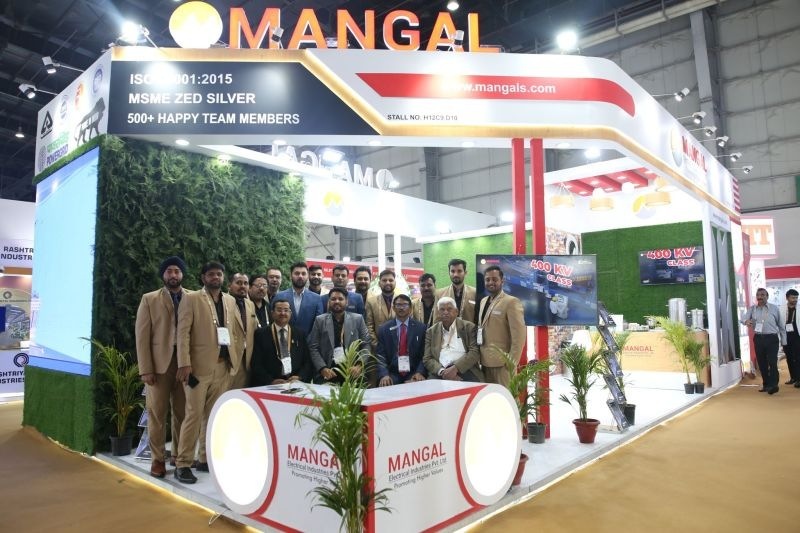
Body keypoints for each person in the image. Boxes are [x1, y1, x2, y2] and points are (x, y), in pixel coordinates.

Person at [174, 261, 244, 484]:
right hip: (197, 369)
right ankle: (183, 463)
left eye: (219, 274)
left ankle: (204, 459)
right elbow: (182, 333)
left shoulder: (230, 300)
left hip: (223, 366)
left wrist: (234, 359)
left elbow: (234, 332)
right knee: (193, 415)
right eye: (211, 274)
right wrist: (184, 364)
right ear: (203, 277)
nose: (216, 277)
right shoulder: (191, 298)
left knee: (213, 415)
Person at [134, 256, 189, 478]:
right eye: (169, 271)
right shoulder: (149, 299)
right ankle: (157, 460)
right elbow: (141, 336)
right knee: (157, 414)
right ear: (163, 275)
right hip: (158, 367)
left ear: (182, 274)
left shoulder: (193, 298)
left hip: (185, 364)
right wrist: (145, 369)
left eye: (177, 271)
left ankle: (178, 454)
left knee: (183, 413)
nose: (173, 275)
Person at [308, 287, 371, 384]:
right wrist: (322, 368)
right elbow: (313, 347)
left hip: (352, 372)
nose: (337, 301)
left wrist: (359, 366)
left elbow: (366, 344)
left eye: (340, 299)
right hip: (327, 372)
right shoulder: (320, 320)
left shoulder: (358, 319)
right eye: (333, 299)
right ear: (329, 302)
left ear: (347, 302)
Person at [476, 265, 526, 386]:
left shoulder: (511, 302)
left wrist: (511, 362)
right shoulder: (483, 301)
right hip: (485, 363)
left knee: (506, 396)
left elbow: (519, 336)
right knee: (490, 396)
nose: (490, 282)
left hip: (503, 364)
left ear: (502, 281)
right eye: (487, 280)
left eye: (494, 279)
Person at [250, 298, 312, 385]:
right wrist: (270, 381)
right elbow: (256, 363)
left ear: (290, 313)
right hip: (270, 385)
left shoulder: (300, 334)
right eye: (279, 310)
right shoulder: (261, 334)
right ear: (272, 313)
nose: (283, 313)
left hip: (294, 383)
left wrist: (299, 377)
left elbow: (307, 361)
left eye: (286, 310)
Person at [424, 297, 484, 382]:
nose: (445, 312)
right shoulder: (431, 332)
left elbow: (475, 352)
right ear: (438, 313)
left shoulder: (468, 327)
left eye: (449, 309)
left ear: (456, 312)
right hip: (440, 372)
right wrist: (442, 372)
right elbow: (427, 358)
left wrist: (455, 368)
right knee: (429, 388)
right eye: (442, 309)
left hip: (465, 369)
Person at [742, 287, 786, 394]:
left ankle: (774, 385)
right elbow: (743, 318)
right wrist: (746, 321)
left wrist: (784, 342)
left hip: (772, 338)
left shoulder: (774, 308)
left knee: (772, 362)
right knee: (762, 363)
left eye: (762, 295)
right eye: (758, 295)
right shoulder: (752, 309)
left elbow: (781, 326)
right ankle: (766, 384)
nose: (760, 297)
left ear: (767, 297)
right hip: (758, 339)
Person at [376, 294, 427, 386]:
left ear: (410, 308)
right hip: (392, 373)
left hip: (413, 372)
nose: (401, 308)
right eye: (398, 305)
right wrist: (384, 374)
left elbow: (424, 354)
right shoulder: (384, 329)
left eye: (405, 305)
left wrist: (420, 372)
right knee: (385, 385)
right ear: (393, 308)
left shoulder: (421, 328)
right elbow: (380, 355)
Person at [275, 262, 324, 337]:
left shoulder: (316, 299)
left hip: (308, 342)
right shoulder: (279, 296)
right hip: (283, 340)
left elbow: (318, 325)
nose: (300, 276)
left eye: (303, 274)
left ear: (307, 276)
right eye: (297, 273)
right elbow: (274, 321)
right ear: (290, 276)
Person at [228, 272, 258, 389]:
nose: (243, 286)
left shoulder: (250, 305)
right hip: (229, 360)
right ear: (229, 285)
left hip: (246, 361)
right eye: (238, 283)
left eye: (246, 283)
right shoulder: (224, 302)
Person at [366, 269, 397, 352]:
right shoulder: (371, 302)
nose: (387, 282)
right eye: (384, 280)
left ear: (395, 282)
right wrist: (377, 345)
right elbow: (369, 326)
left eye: (391, 280)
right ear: (379, 283)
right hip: (378, 348)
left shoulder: (403, 301)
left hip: (399, 347)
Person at [781, 289, 800, 387]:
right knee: (789, 358)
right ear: (787, 298)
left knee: (798, 358)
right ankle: (793, 378)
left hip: (797, 336)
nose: (795, 300)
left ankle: (799, 379)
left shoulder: (799, 308)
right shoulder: (781, 309)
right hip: (786, 336)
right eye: (793, 298)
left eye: (796, 298)